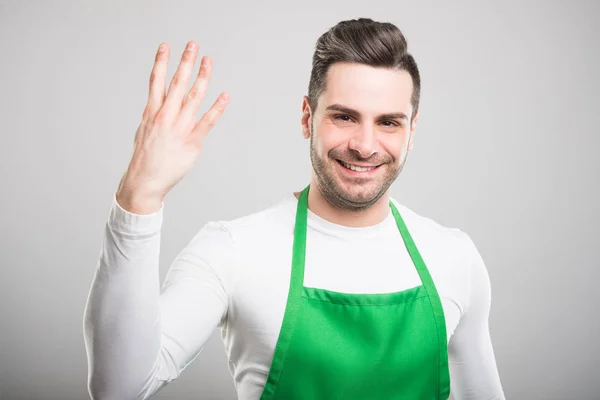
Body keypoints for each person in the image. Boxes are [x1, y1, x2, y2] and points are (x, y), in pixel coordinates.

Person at [83, 18, 505, 400]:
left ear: (412, 131)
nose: (365, 144)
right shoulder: (233, 250)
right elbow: (118, 388)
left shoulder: (454, 258)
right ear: (307, 117)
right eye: (343, 117)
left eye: (388, 122)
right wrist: (139, 198)